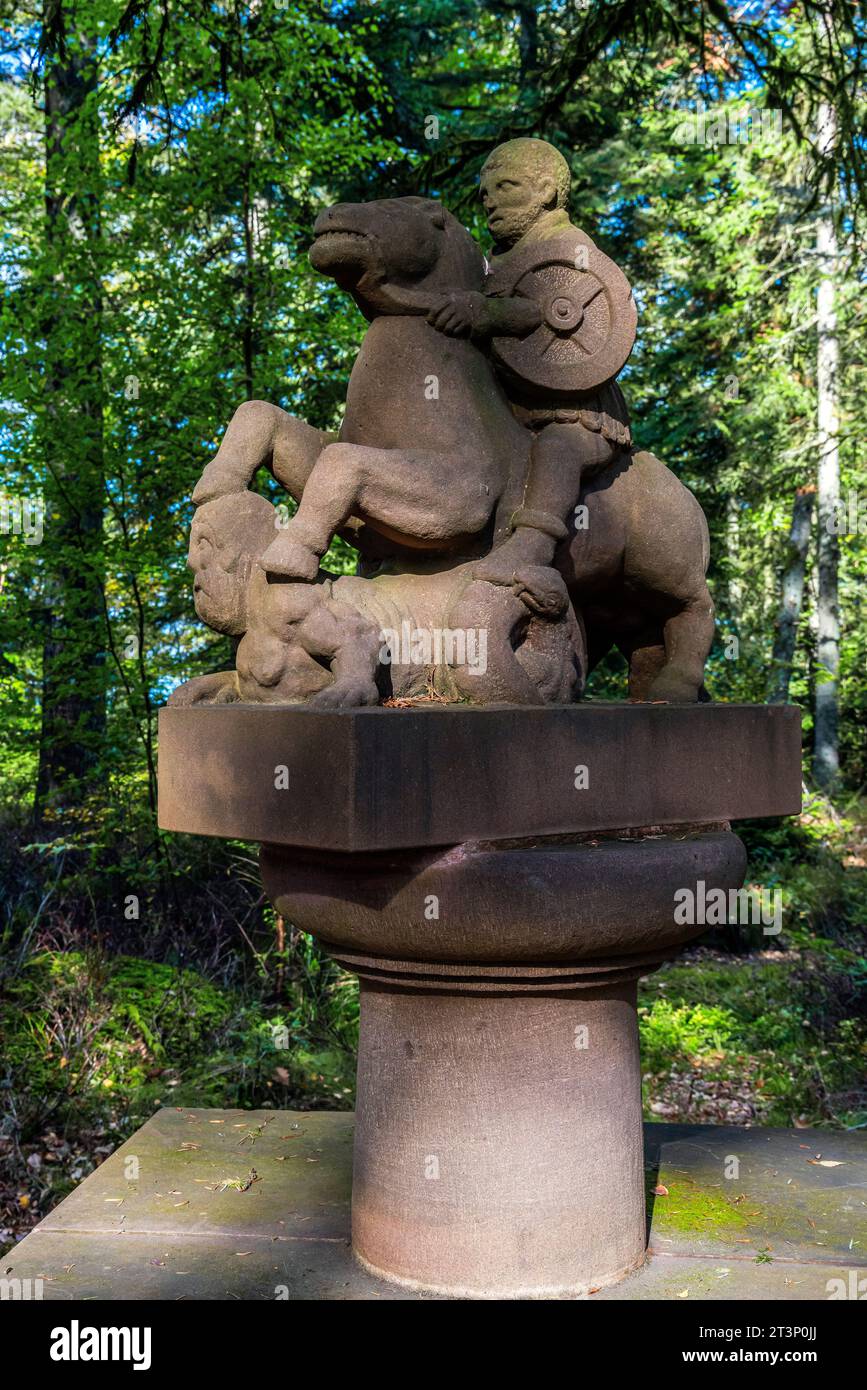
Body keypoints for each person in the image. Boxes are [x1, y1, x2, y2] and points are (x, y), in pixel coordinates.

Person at [425, 137, 632, 587]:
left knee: (557, 449)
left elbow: (565, 309)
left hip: (576, 414)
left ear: (545, 191)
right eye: (484, 193)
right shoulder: (492, 265)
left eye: (507, 186)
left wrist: (488, 312)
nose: (489, 201)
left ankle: (532, 546)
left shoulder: (569, 246)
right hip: (508, 407)